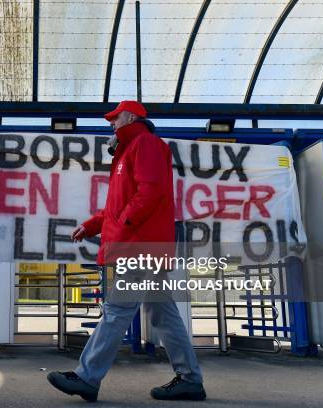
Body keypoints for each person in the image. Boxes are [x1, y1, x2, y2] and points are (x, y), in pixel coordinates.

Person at [47, 101, 205, 402]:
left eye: (114, 118)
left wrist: (125, 222)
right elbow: (118, 206)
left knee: (117, 310)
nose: (111, 124)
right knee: (163, 313)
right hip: (141, 242)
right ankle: (190, 380)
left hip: (139, 244)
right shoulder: (129, 151)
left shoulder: (144, 143)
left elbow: (151, 190)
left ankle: (86, 377)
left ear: (131, 116)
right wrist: (94, 225)